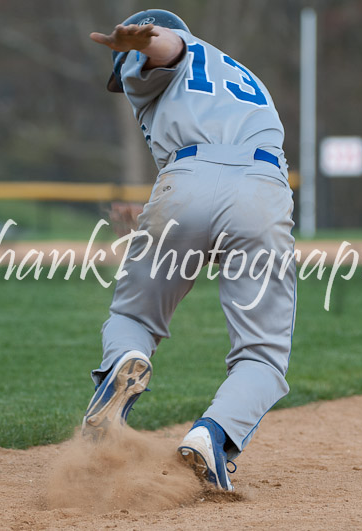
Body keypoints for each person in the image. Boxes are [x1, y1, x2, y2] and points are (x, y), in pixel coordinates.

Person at [81, 9, 296, 491]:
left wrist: (146, 39)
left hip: (187, 181)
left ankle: (122, 362)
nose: (126, 79)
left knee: (134, 317)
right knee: (262, 356)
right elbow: (227, 189)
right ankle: (211, 436)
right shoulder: (239, 74)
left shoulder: (172, 51)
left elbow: (172, 49)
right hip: (263, 189)